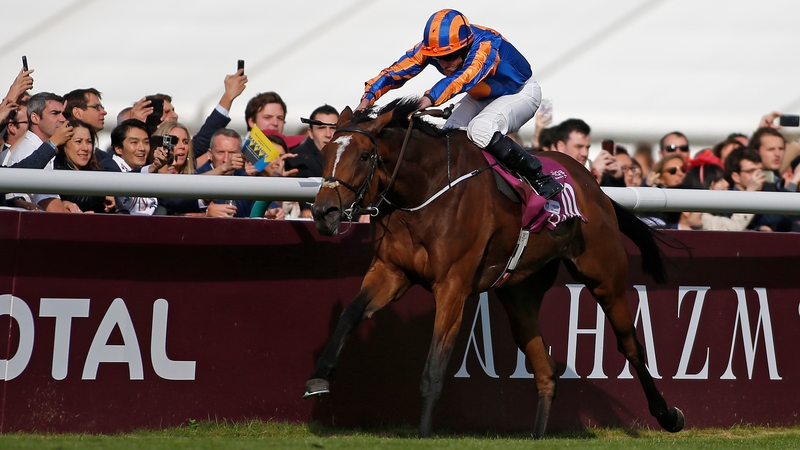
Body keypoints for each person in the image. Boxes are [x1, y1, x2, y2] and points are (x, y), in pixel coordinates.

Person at [355, 9, 562, 199]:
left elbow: (463, 78)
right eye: (437, 58)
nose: (444, 63)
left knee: (480, 130)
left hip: (521, 92)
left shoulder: (486, 45)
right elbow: (395, 71)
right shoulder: (432, 48)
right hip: (481, 95)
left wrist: (428, 99)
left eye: (450, 56)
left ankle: (539, 178)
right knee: (449, 137)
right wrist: (366, 100)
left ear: (466, 46)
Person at [53, 120, 113, 213]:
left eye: (89, 142)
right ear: (63, 145)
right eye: (78, 141)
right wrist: (102, 195)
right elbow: (71, 195)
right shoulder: (55, 168)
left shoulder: (96, 168)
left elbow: (121, 210)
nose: (85, 148)